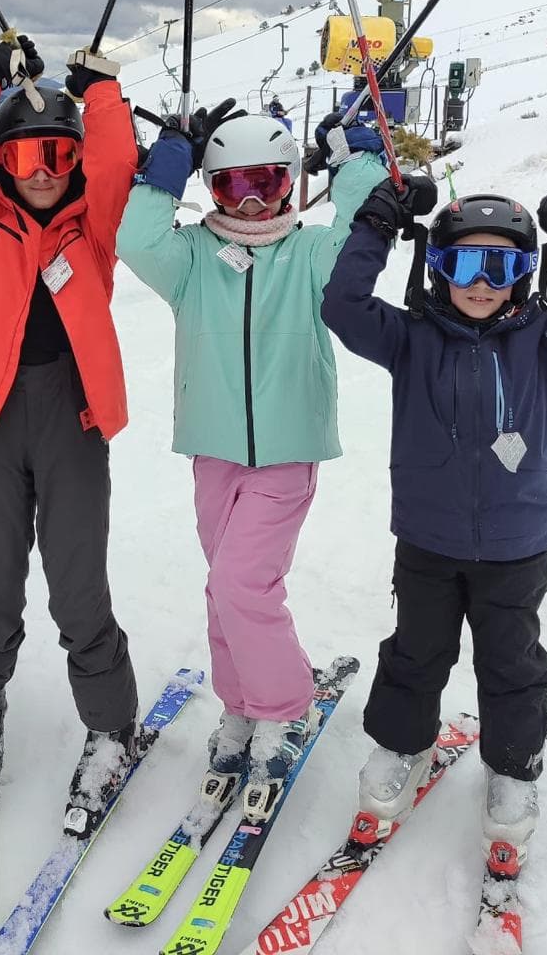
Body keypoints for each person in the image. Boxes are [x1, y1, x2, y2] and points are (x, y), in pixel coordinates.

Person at [320, 173, 547, 870]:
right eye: (464, 263)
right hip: (427, 542)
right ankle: (402, 751)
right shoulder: (410, 339)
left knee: (512, 665)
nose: (482, 282)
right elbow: (343, 303)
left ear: (527, 272)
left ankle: (513, 768)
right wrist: (376, 223)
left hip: (517, 546)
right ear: (437, 269)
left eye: (501, 265)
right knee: (416, 653)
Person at [116, 104, 386, 819]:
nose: (255, 200)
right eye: (234, 186)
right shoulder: (190, 260)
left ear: (294, 182)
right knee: (224, 587)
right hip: (213, 450)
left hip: (287, 450)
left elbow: (369, 231)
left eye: (269, 181)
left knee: (243, 583)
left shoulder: (314, 253)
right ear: (212, 187)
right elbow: (135, 237)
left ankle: (282, 706)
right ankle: (241, 704)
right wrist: (169, 158)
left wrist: (353, 160)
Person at [0, 36, 140, 828]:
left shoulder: (96, 226)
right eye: (22, 157)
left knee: (78, 585)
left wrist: (103, 94)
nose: (42, 169)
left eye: (56, 153)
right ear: (2, 165)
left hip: (72, 419)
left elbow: (117, 166)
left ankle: (112, 724)